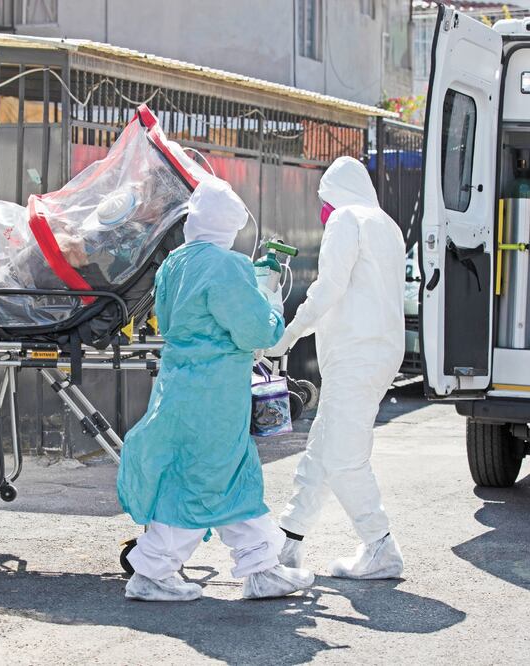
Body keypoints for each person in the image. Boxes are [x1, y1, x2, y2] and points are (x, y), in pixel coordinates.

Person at [116, 176, 315, 601]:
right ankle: (152, 571)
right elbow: (252, 332)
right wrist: (269, 300)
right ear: (230, 225)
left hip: (178, 386)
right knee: (208, 479)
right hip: (217, 393)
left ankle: (262, 565)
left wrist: (250, 284)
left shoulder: (175, 263)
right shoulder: (228, 266)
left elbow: (171, 322)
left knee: (229, 475)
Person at [265, 156, 406, 579]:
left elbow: (328, 289)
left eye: (323, 199)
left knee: (344, 457)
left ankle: (379, 545)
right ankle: (288, 542)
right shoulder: (387, 225)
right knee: (323, 450)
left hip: (354, 354)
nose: (323, 210)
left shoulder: (347, 219)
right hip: (380, 353)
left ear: (334, 194)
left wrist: (286, 336)